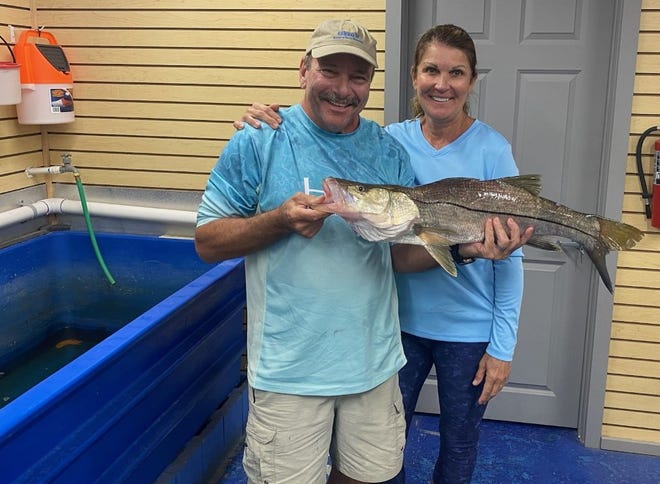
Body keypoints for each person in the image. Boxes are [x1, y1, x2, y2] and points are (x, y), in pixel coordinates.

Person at [234, 24, 528, 484]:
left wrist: (502, 344)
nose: (442, 83)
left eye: (457, 73)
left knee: (459, 443)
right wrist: (264, 118)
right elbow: (338, 147)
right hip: (396, 326)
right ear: (413, 76)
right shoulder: (388, 143)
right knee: (387, 449)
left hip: (466, 327)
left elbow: (511, 257)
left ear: (471, 81)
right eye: (431, 69)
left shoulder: (492, 148)